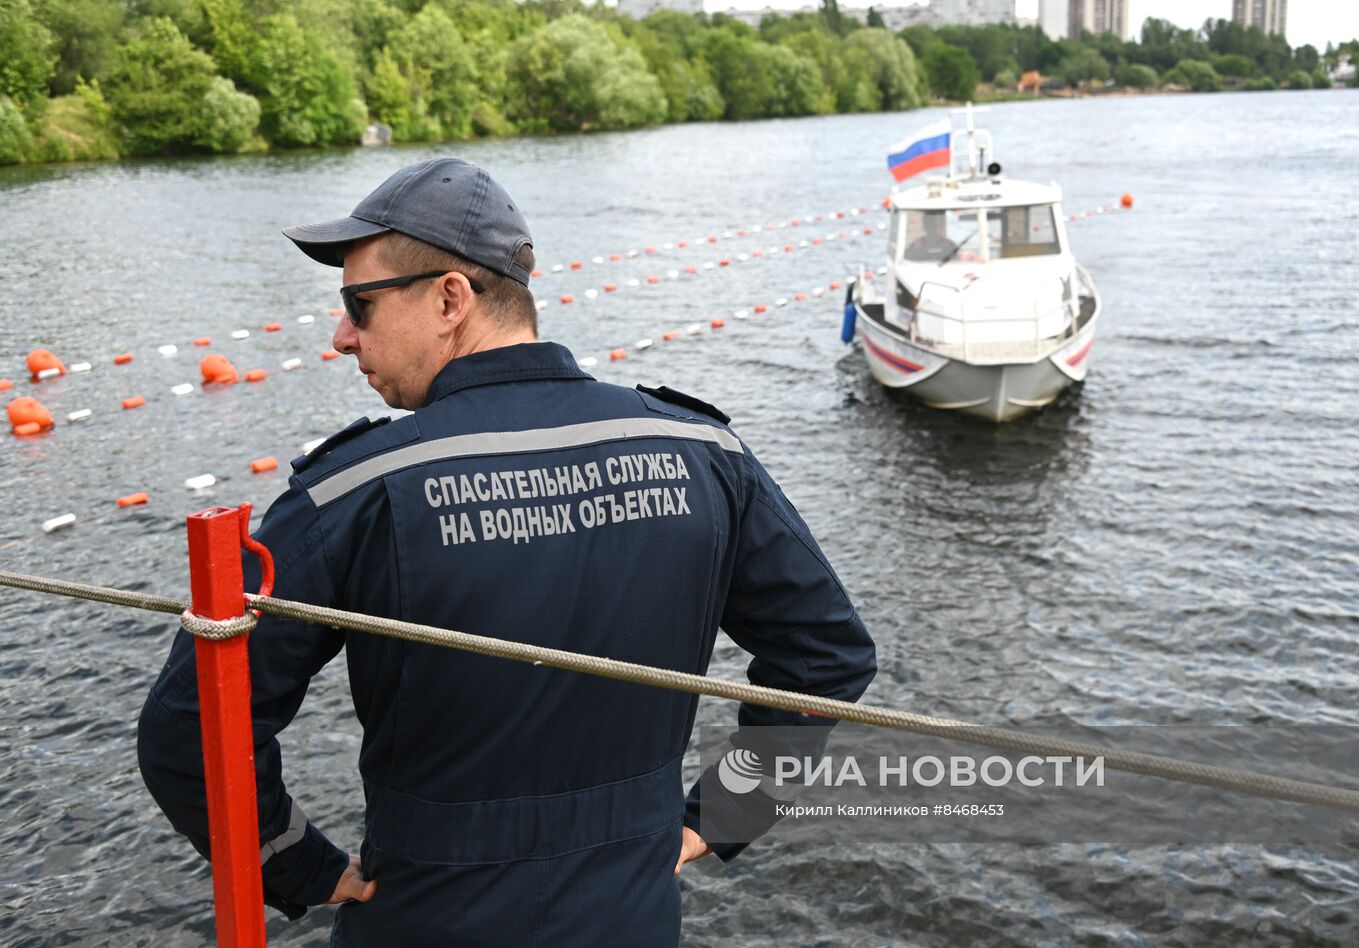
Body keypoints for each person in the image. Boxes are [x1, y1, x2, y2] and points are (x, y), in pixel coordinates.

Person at [137, 158, 877, 946]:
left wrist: (301, 868)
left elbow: (190, 731)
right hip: (631, 918)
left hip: (423, 920)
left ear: (451, 298)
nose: (343, 333)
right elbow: (824, 659)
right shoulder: (701, 451)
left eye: (360, 304)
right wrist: (721, 816)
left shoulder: (355, 489)